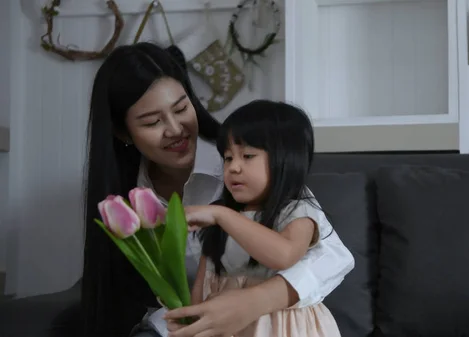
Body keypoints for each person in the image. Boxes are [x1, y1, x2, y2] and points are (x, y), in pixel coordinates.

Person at [82, 42, 355, 337]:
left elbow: (333, 258)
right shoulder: (125, 197)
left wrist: (253, 302)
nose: (175, 129)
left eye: (182, 108)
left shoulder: (251, 170)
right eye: (153, 122)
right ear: (123, 133)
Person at [165, 100, 345, 337]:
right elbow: (203, 283)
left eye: (247, 155)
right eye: (228, 158)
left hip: (285, 330)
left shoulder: (297, 211)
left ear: (286, 160)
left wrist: (223, 215)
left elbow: (285, 255)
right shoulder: (220, 217)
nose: (233, 167)